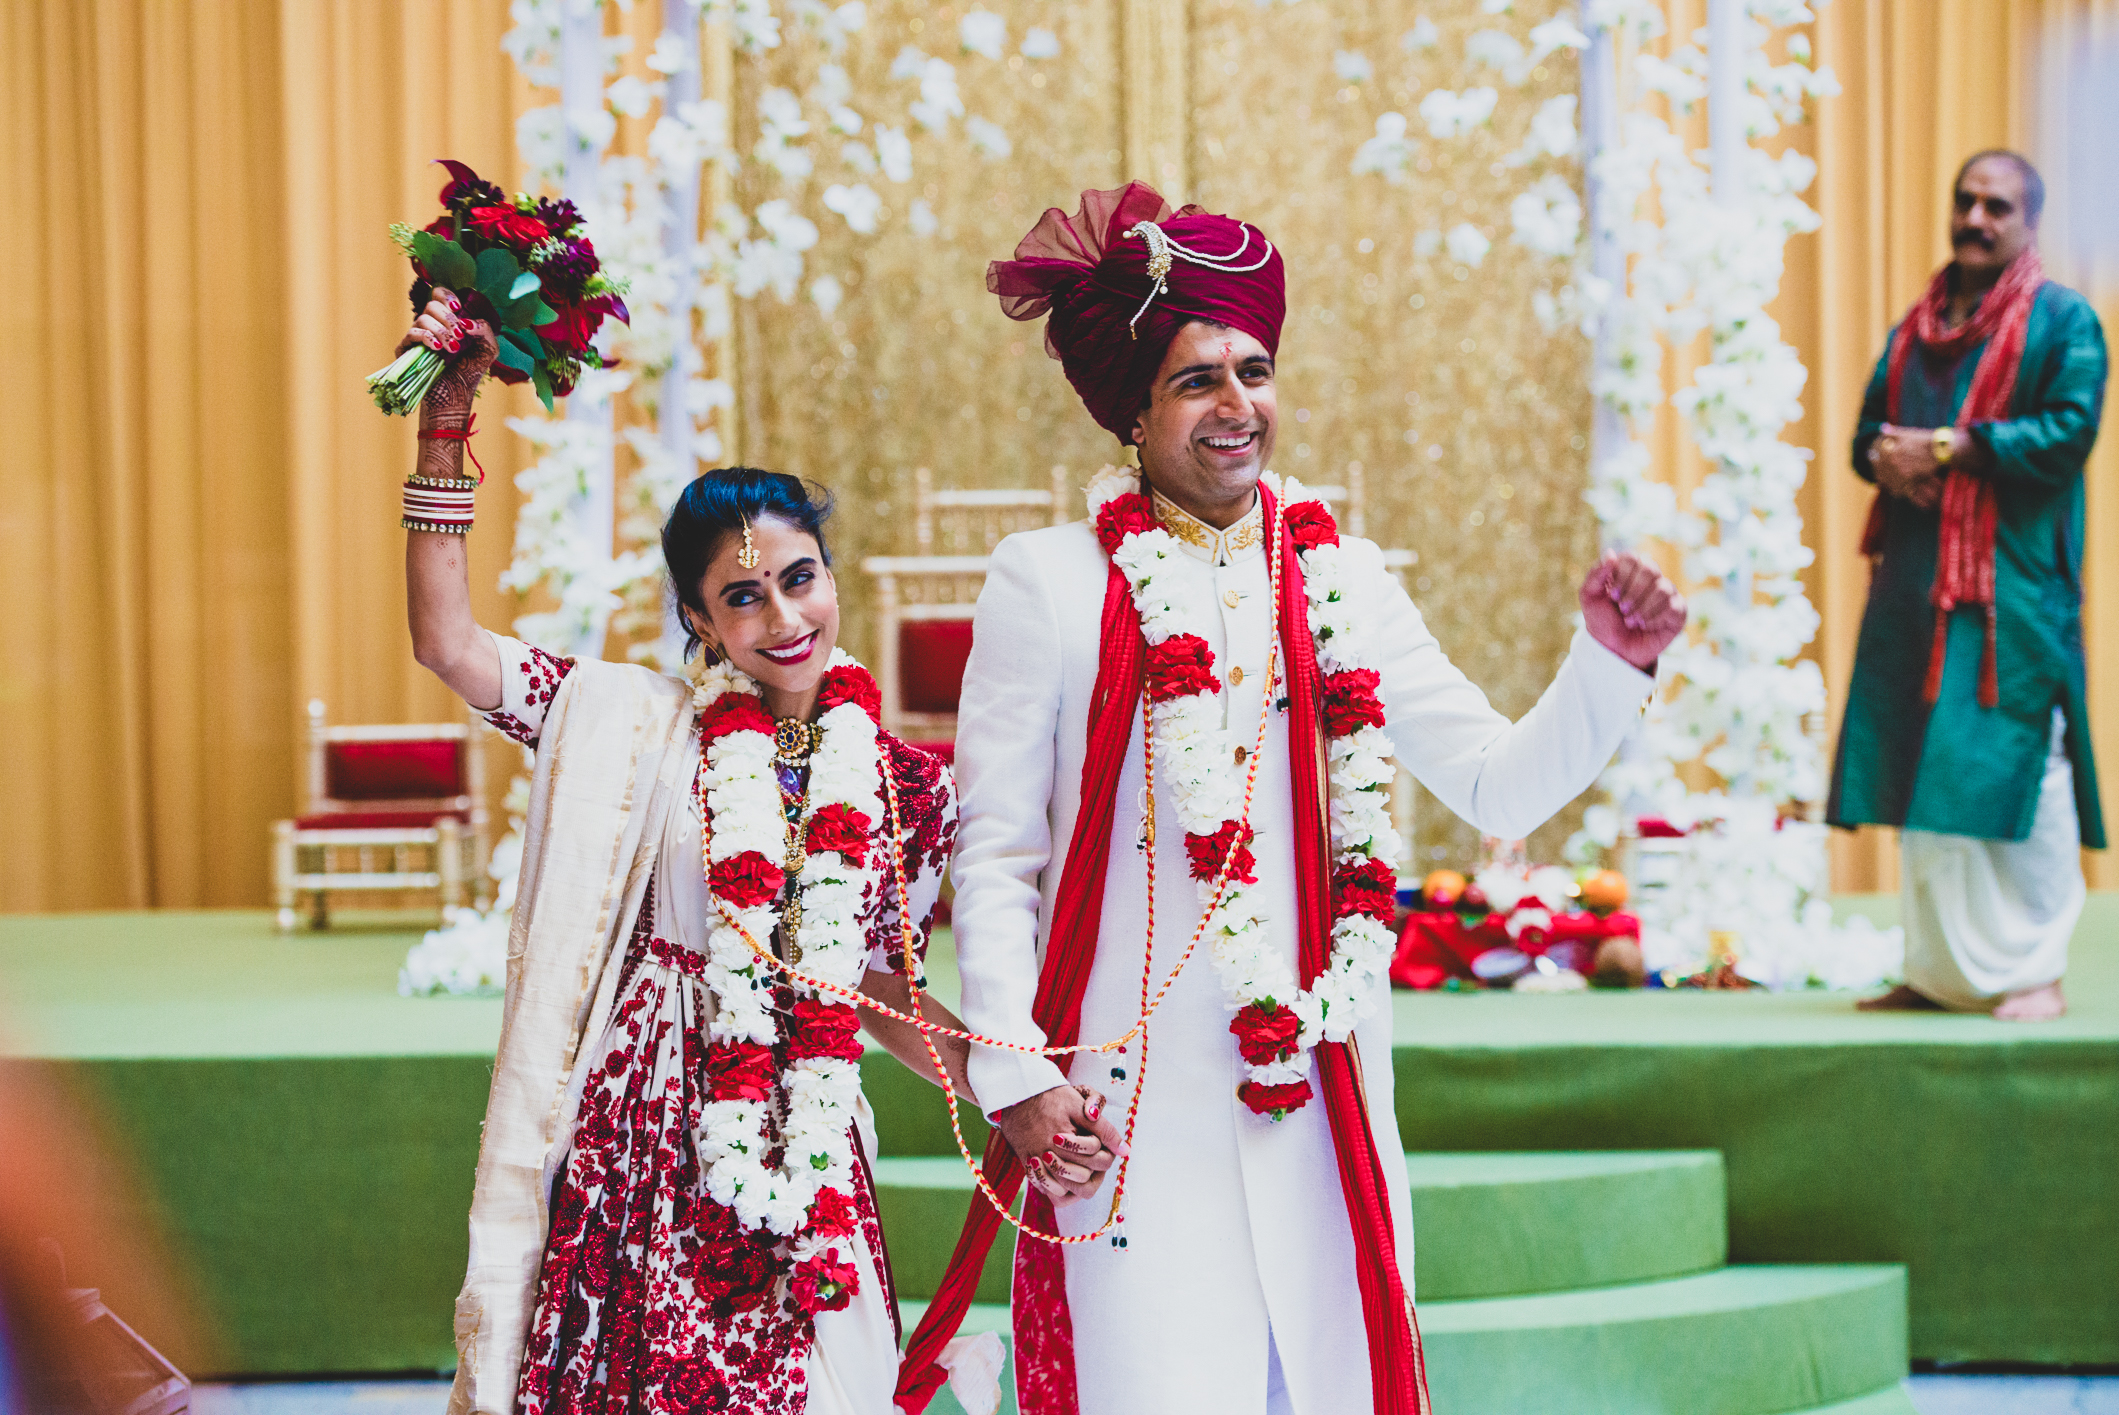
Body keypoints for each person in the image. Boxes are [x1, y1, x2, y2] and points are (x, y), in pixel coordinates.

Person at [897, 183, 1687, 1415]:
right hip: (1130, 1100)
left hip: (1320, 1096)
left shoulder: (1342, 577)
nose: (1236, 404)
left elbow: (1493, 776)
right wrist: (1016, 1076)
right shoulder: (1048, 582)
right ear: (1133, 412)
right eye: (1195, 380)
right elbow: (996, 857)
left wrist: (1609, 665)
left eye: (1253, 371)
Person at [392, 293, 986, 1415]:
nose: (784, 617)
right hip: (646, 1142)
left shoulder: (910, 784)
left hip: (806, 1141)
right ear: (701, 620)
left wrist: (1013, 1089)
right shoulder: (636, 725)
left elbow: (874, 988)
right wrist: (443, 426)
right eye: (743, 597)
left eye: (799, 578)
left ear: (831, 574)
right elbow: (448, 642)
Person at [1831, 151, 2107, 1022]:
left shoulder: (2062, 321)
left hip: (2010, 591)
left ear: (2029, 223)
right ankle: (1937, 971)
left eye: (1996, 206)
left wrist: (1946, 448)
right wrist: (1886, 456)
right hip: (1917, 586)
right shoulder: (1917, 325)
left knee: (2023, 768)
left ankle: (2037, 971)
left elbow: (2067, 434)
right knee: (1924, 766)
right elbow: (1867, 433)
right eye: (1965, 202)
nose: (1975, 219)